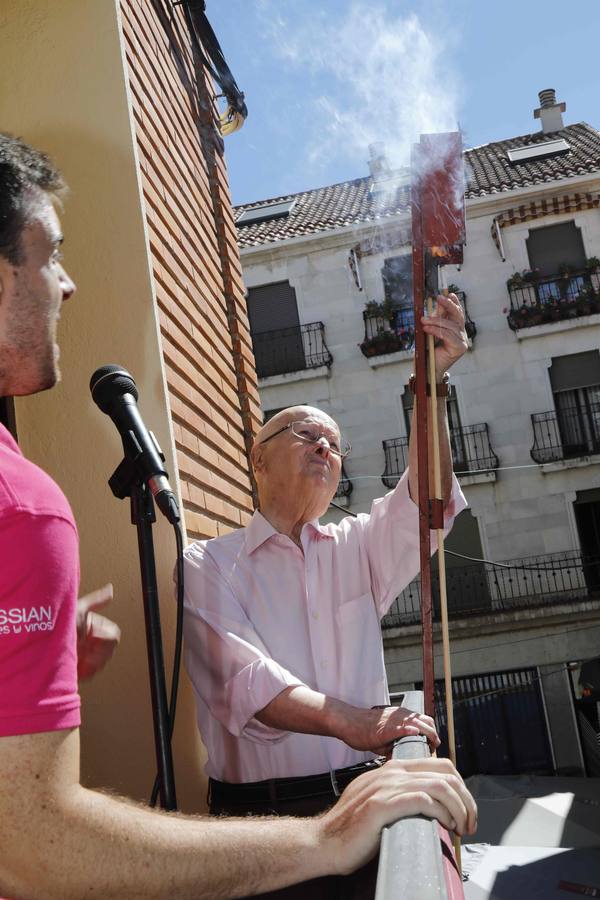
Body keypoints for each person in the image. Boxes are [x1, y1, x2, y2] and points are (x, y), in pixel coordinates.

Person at [0, 132, 476, 900]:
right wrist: (360, 722)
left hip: (364, 820)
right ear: (256, 459)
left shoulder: (358, 548)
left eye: (337, 444)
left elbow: (425, 503)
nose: (327, 448)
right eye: (306, 433)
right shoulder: (205, 565)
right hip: (262, 833)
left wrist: (430, 385)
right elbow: (250, 683)